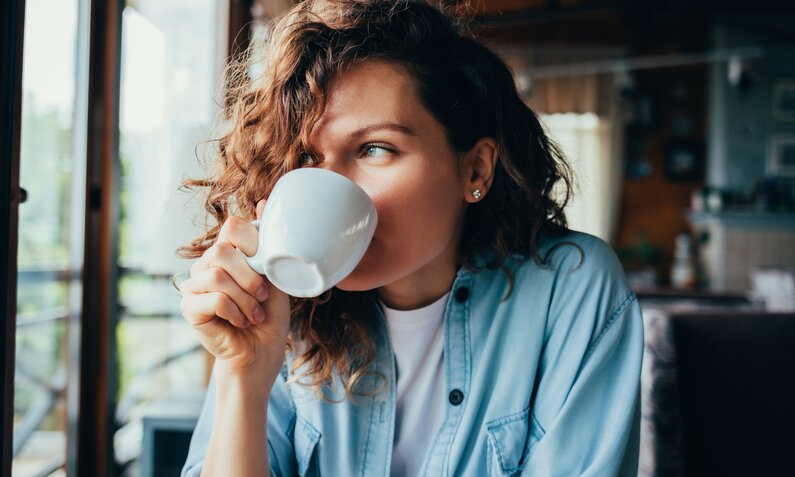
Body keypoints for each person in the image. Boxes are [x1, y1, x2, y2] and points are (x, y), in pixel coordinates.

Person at [178, 1, 644, 476]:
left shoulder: (569, 289)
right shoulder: (281, 308)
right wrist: (242, 378)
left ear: (474, 168)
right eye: (305, 158)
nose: (330, 186)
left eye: (375, 148)